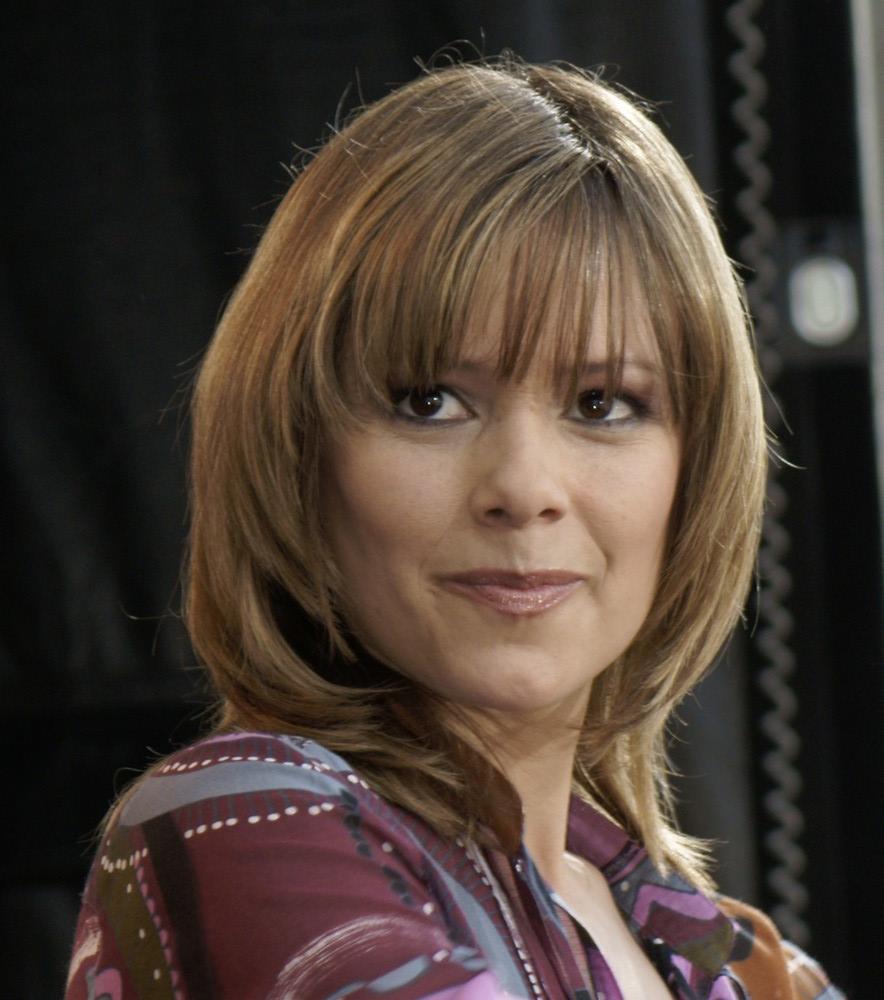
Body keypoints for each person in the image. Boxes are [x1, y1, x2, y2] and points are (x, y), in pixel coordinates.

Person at [65, 57, 843, 999]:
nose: (523, 488)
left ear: (699, 464)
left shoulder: (747, 965)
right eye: (428, 400)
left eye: (602, 404)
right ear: (297, 446)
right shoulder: (236, 824)